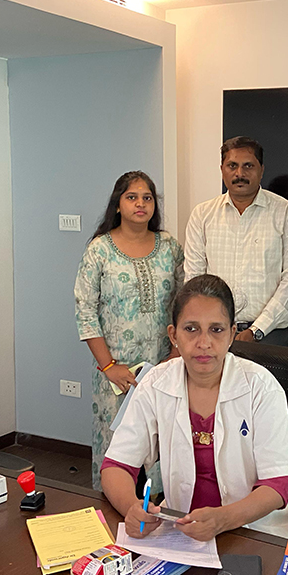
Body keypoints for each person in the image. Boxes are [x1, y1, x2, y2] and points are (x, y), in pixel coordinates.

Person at [101, 274, 288, 541]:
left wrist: (224, 519)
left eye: (216, 329)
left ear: (232, 334)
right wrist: (131, 508)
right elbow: (116, 465)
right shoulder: (154, 384)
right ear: (173, 335)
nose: (204, 343)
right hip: (182, 529)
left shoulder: (261, 387)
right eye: (191, 329)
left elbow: (280, 482)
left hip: (258, 531)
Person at [74, 170, 183, 489]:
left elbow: (183, 302)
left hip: (162, 367)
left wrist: (175, 354)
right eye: (132, 197)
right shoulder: (100, 249)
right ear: (118, 204)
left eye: (147, 198)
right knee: (117, 448)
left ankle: (158, 507)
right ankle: (112, 506)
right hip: (116, 373)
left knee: (160, 443)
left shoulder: (169, 246)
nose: (140, 204)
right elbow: (85, 311)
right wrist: (109, 367)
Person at [185, 136, 288, 346]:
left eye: (248, 166)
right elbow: (194, 278)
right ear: (222, 169)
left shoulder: (287, 213)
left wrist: (257, 330)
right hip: (216, 333)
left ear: (261, 170)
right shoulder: (202, 214)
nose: (239, 174)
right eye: (232, 166)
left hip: (271, 335)